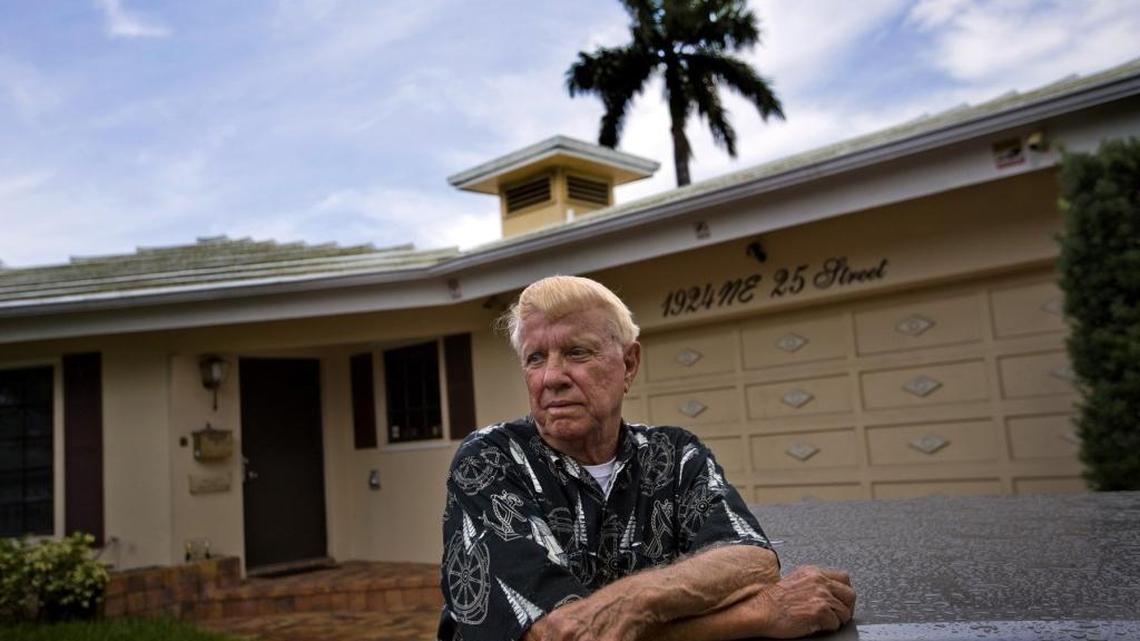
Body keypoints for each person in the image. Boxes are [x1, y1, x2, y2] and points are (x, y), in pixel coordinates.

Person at [439, 275, 855, 641]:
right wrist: (755, 614)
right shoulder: (490, 459)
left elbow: (749, 559)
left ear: (629, 364)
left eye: (577, 352)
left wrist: (636, 604)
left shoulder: (674, 454)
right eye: (535, 358)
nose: (551, 377)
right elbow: (555, 634)